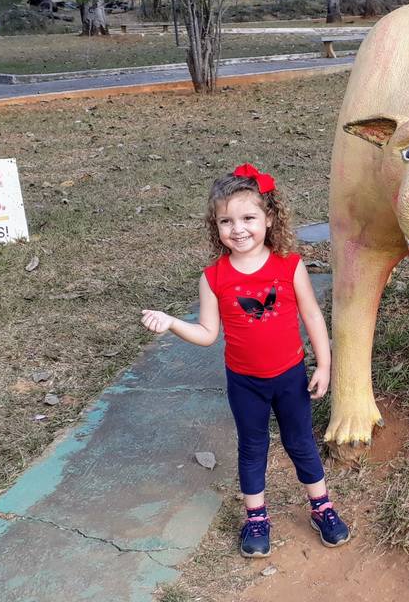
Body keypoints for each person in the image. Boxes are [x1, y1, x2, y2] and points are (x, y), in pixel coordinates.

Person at [140, 164, 348, 558]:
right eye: (226, 221)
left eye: (248, 217)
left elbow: (313, 316)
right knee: (252, 448)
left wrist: (324, 364)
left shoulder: (290, 265)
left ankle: (322, 507)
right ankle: (256, 517)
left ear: (269, 219)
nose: (238, 229)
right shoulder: (213, 278)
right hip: (245, 382)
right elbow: (207, 334)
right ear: (215, 226)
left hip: (290, 376)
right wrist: (171, 323)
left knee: (300, 442)